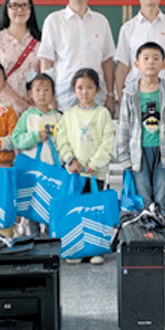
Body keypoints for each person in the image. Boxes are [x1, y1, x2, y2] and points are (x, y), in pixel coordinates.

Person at [56, 68, 116, 264]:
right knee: (75, 211)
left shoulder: (103, 113)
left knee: (95, 212)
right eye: (80, 87)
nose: (84, 92)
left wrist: (94, 163)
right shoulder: (69, 114)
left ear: (97, 89)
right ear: (74, 90)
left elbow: (107, 142)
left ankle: (95, 250)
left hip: (95, 174)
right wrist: (70, 160)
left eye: (89, 87)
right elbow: (62, 140)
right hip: (75, 174)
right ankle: (76, 249)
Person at [38, 0, 117, 116]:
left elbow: (107, 62)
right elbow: (46, 62)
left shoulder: (101, 21)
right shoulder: (54, 20)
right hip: (63, 100)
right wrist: (49, 98)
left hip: (97, 100)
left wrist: (110, 95)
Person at [116, 42, 165, 214]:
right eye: (145, 58)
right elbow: (124, 126)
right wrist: (124, 157)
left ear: (164, 64)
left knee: (163, 195)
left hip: (164, 151)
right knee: (143, 196)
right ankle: (146, 230)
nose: (150, 62)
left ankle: (164, 227)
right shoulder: (130, 92)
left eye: (155, 58)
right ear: (136, 64)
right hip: (138, 153)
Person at [11, 72, 62, 237]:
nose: (42, 94)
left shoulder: (58, 117)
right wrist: (35, 137)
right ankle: (33, 236)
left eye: (46, 90)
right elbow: (16, 139)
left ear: (53, 94)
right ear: (30, 94)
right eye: (37, 90)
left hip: (53, 169)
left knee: (51, 204)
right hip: (32, 171)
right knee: (32, 204)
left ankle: (50, 237)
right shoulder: (27, 116)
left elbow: (64, 142)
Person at [0, 0, 42, 116]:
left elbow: (45, 77)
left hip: (33, 109)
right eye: (14, 5)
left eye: (24, 5)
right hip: (1, 108)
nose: (20, 10)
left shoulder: (41, 42)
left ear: (31, 10)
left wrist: (34, 105)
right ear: (7, 10)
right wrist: (17, 102)